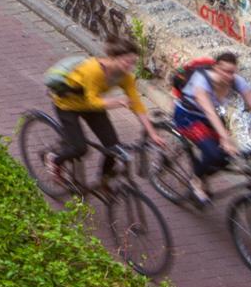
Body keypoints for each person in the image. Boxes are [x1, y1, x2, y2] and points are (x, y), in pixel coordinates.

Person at [44, 33, 166, 187]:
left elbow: (137, 104)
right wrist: (116, 101)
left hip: (92, 107)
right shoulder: (93, 70)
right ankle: (54, 158)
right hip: (68, 105)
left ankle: (103, 181)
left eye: (133, 63)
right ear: (113, 57)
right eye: (126, 62)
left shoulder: (125, 77)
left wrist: (152, 133)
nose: (130, 67)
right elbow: (92, 100)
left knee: (114, 148)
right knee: (79, 148)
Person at [170, 50, 251, 205]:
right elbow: (209, 110)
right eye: (225, 71)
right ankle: (195, 181)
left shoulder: (236, 81)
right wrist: (225, 137)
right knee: (214, 153)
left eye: (232, 72)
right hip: (187, 115)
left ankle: (201, 175)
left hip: (206, 118)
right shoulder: (201, 80)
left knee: (226, 157)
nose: (229, 76)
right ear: (215, 68)